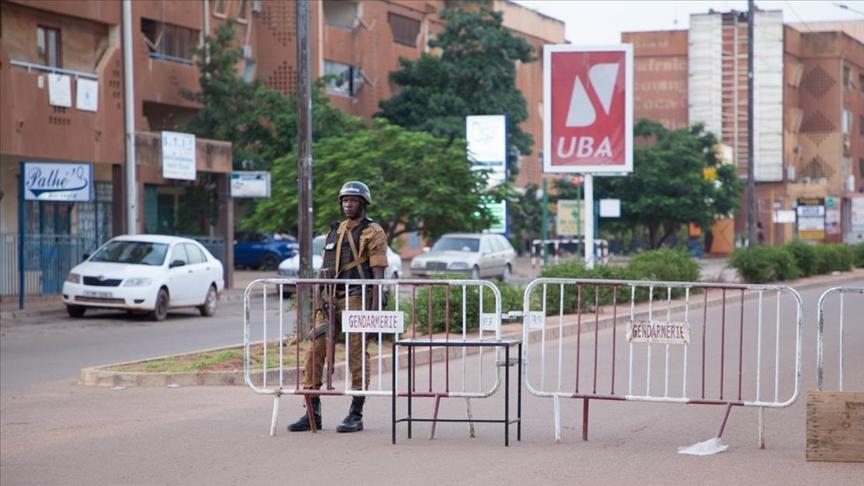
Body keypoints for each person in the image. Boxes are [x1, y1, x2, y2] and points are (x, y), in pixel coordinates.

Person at [288, 181, 388, 433]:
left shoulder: (373, 231)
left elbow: (378, 276)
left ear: (363, 203)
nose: (347, 205)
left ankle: (356, 413)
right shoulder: (335, 231)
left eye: (352, 200)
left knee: (356, 353)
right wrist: (318, 296)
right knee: (315, 349)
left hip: (357, 298)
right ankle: (312, 412)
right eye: (344, 200)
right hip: (330, 300)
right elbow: (324, 269)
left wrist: (374, 314)